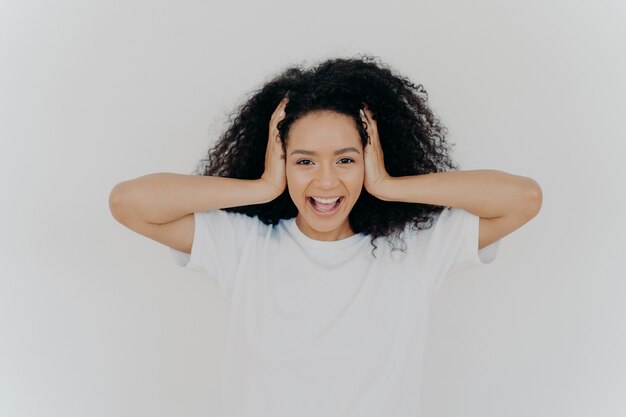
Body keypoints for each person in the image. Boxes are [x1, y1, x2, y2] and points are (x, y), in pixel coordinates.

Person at [109, 55, 542, 417]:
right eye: (304, 162)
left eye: (346, 160)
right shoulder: (245, 246)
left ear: (371, 160)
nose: (327, 182)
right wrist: (260, 187)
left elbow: (523, 197)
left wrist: (389, 185)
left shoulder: (415, 248)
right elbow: (129, 202)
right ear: (281, 164)